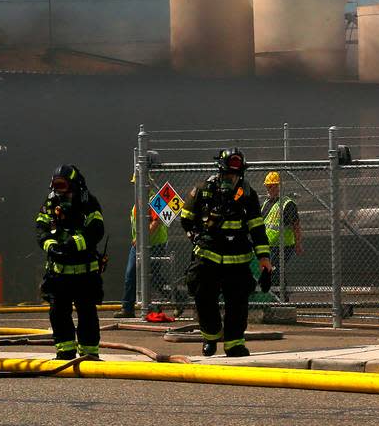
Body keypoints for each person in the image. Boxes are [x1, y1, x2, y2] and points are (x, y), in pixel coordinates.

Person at [180, 148, 272, 357]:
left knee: (238, 302)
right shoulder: (204, 190)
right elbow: (186, 217)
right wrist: (195, 236)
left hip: (238, 258)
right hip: (208, 255)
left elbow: (257, 228)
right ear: (220, 172)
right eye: (228, 175)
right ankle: (211, 336)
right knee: (203, 296)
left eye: (236, 175)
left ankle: (234, 344)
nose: (232, 179)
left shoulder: (248, 194)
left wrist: (264, 260)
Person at [36, 164, 105, 360]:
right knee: (58, 313)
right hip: (58, 274)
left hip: (85, 273)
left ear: (74, 186)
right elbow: (40, 228)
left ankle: (89, 354)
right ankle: (64, 351)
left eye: (62, 186)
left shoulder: (89, 203)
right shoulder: (50, 204)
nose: (58, 192)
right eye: (55, 186)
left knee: (87, 313)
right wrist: (51, 246)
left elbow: (96, 230)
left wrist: (73, 244)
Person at [115, 174, 170, 318]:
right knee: (131, 274)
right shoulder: (138, 199)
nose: (136, 186)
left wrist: (140, 238)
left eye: (139, 183)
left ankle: (175, 298)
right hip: (139, 244)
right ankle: (127, 308)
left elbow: (156, 223)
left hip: (154, 244)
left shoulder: (155, 199)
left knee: (152, 277)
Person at [262, 171, 302, 300]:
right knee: (272, 270)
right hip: (268, 246)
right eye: (268, 186)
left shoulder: (287, 204)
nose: (269, 189)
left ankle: (281, 298)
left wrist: (298, 244)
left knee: (274, 269)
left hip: (283, 246)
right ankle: (277, 297)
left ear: (279, 186)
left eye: (272, 186)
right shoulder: (266, 203)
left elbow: (296, 226)